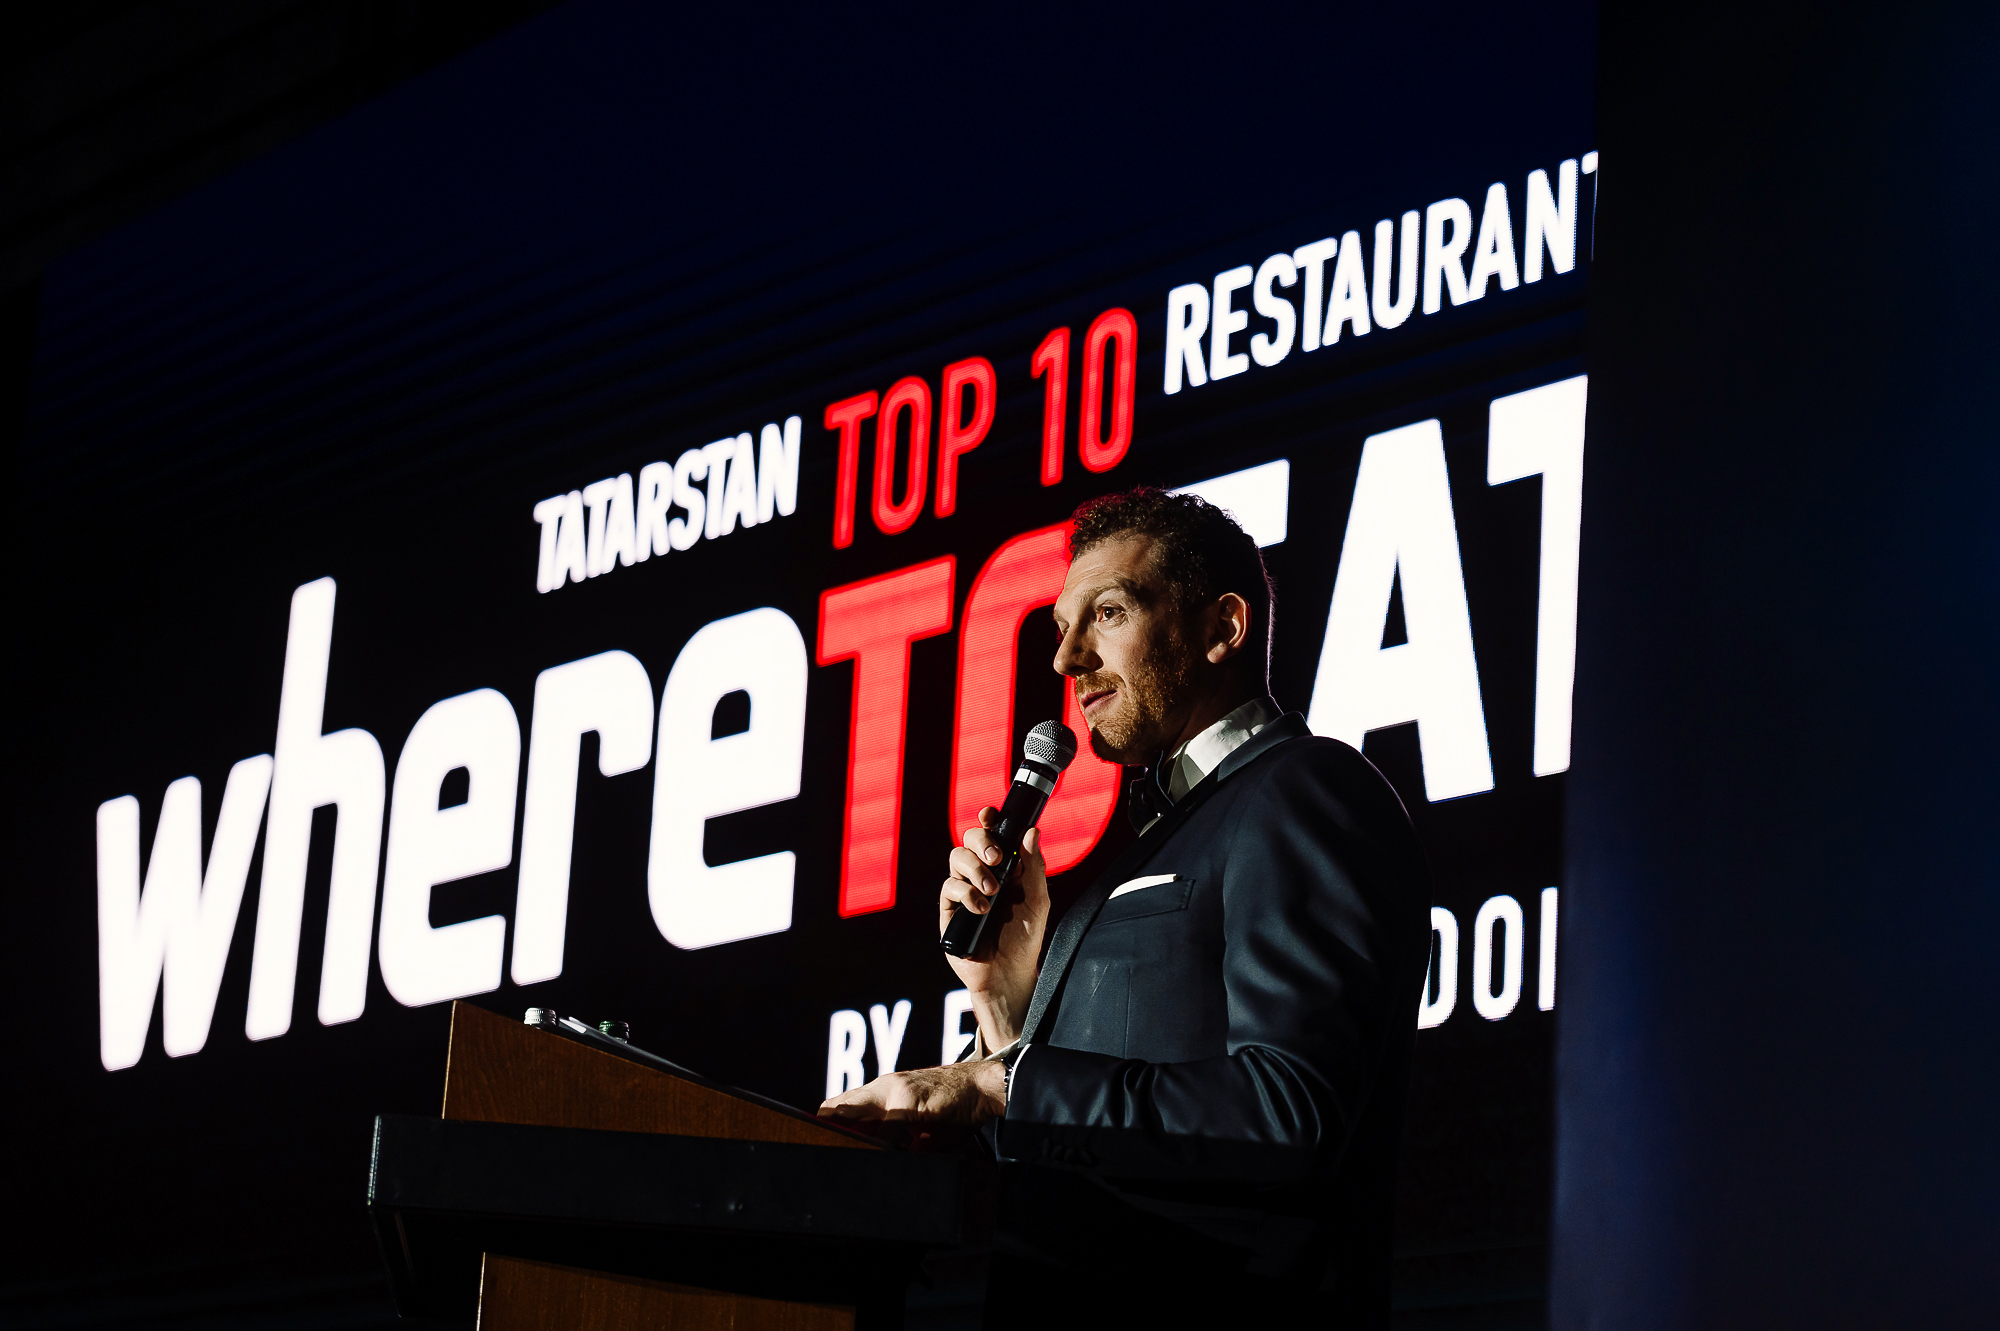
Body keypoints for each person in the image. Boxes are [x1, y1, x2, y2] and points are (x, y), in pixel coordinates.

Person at [820, 487, 1431, 1323]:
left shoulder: (1304, 788)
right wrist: (1005, 1009)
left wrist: (998, 1083)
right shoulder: (1154, 842)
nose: (1066, 658)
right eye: (1061, 626)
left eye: (1107, 613)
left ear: (1222, 627)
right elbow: (1083, 1148)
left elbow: (1289, 1109)